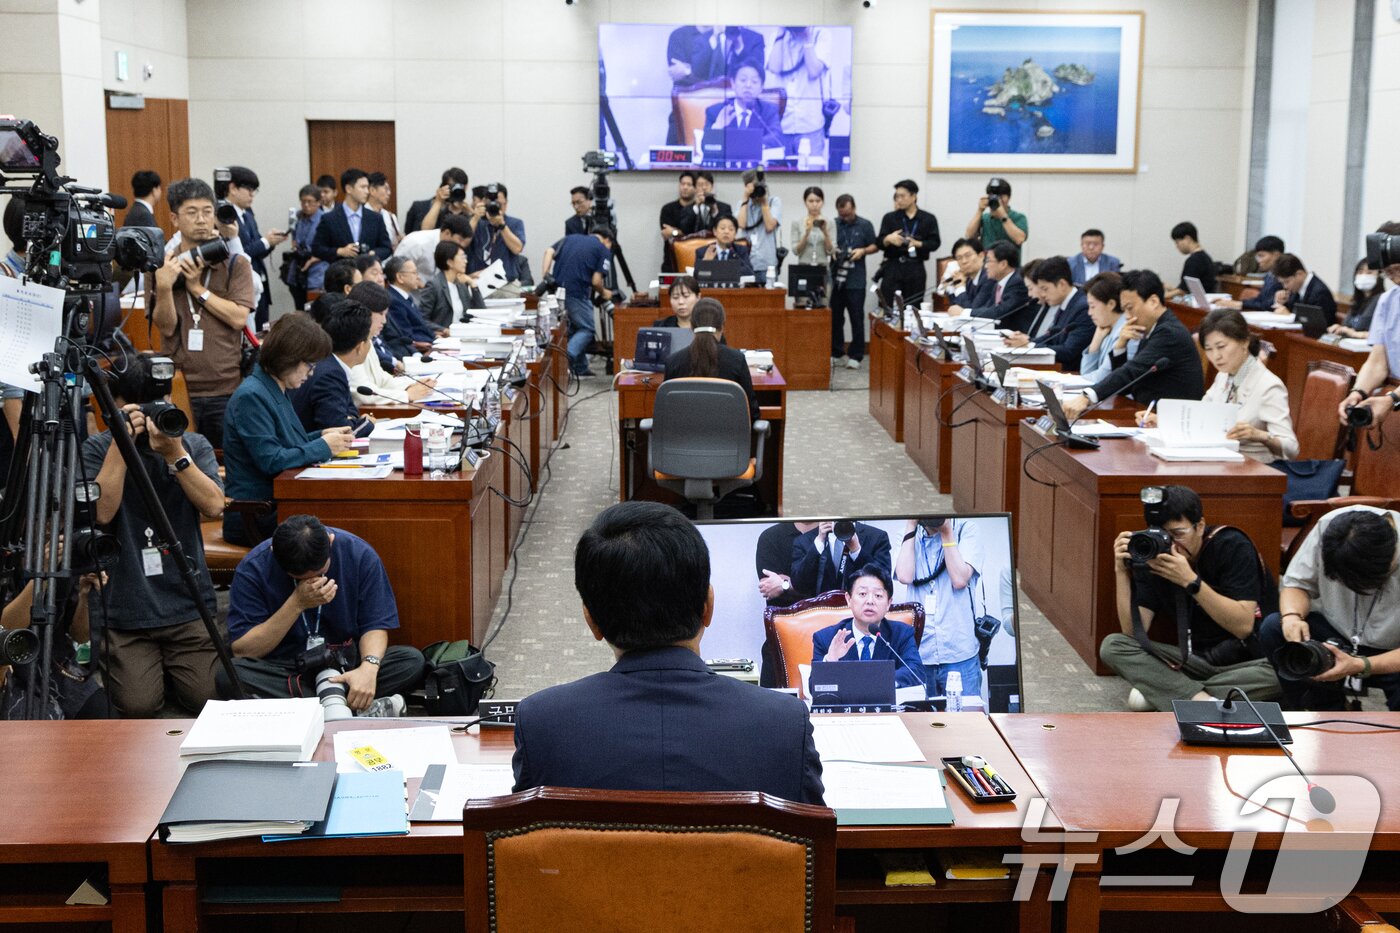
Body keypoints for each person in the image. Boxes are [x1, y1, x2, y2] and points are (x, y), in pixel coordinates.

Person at [512, 501, 822, 801]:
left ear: (591, 621)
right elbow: (812, 832)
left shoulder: (542, 724)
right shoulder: (784, 724)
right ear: (708, 607)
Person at [83, 352, 225, 717]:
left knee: (207, 698)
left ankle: (171, 673)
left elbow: (214, 506)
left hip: (186, 601)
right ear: (116, 405)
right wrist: (121, 443)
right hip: (127, 608)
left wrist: (175, 455)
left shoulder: (192, 444)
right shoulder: (97, 448)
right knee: (137, 705)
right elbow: (101, 513)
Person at [220, 514, 425, 714]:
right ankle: (346, 708)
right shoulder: (254, 567)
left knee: (411, 660)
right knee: (230, 675)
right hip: (287, 668)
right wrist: (296, 603)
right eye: (300, 577)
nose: (313, 582)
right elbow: (244, 650)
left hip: (347, 666)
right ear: (274, 552)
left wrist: (369, 668)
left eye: (320, 573)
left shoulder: (359, 553)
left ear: (330, 541)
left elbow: (375, 624)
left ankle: (311, 709)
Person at [1102, 485, 1280, 711]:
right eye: (1162, 535)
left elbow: (1243, 627)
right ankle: (1202, 702)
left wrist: (1190, 581)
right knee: (1113, 646)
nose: (1171, 544)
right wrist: (1121, 570)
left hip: (1250, 662)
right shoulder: (1153, 556)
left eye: (1178, 534)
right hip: (1193, 661)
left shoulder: (1231, 545)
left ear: (1200, 526)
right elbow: (1133, 633)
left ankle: (1172, 692)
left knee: (1283, 672)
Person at [222, 313, 352, 545]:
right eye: (309, 365)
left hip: (282, 504)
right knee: (344, 526)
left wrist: (321, 436)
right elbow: (271, 460)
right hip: (257, 514)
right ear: (289, 358)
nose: (311, 373)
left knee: (347, 519)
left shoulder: (274, 387)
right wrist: (322, 446)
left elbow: (285, 442)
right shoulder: (252, 396)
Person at [1259, 506, 1400, 710]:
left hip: (1392, 651)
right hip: (1337, 636)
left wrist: (1362, 665)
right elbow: (1297, 584)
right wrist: (1292, 617)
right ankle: (1321, 713)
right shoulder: (1331, 528)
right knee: (1274, 627)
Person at [152, 177, 256, 451]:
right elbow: (166, 327)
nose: (201, 220)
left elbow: (238, 318)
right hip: (178, 387)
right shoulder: (162, 266)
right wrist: (164, 287)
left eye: (207, 212)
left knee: (229, 460)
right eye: (192, 212)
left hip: (227, 387)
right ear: (174, 219)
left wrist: (197, 288)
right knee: (179, 460)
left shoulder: (235, 263)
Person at [1060, 269, 1206, 419]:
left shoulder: (1169, 333)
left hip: (1170, 420)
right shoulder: (1150, 328)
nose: (1127, 316)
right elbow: (1126, 387)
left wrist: (1087, 397)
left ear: (1153, 302)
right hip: (1145, 414)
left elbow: (1131, 371)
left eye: (1130, 308)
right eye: (1124, 310)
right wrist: (1120, 346)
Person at [1188, 310, 1297, 461]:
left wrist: (1259, 435)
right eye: (1209, 349)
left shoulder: (1269, 386)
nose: (1216, 356)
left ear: (1245, 342)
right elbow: (1201, 413)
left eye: (1221, 346)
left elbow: (1291, 448)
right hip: (1220, 460)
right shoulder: (1223, 376)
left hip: (1253, 467)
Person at [895, 517, 985, 698]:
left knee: (965, 715)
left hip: (959, 653)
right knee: (921, 715)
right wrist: (911, 523)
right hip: (921, 653)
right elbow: (904, 576)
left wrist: (946, 531)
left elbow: (959, 579)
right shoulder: (907, 534)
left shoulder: (966, 530)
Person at [811, 567, 925, 690]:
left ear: (888, 603)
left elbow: (916, 672)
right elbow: (813, 687)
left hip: (886, 702)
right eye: (862, 594)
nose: (870, 601)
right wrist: (829, 662)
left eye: (878, 595)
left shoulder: (901, 634)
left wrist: (873, 681)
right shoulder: (827, 638)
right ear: (849, 599)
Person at [1334, 225, 1400, 426]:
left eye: (1398, 269)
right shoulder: (1388, 300)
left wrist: (1392, 399)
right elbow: (1377, 362)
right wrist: (1358, 392)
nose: (1395, 278)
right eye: (1388, 273)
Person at [662, 298, 756, 421]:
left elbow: (666, 413)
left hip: (683, 433)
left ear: (691, 326)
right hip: (728, 433)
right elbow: (752, 413)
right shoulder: (737, 360)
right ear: (722, 327)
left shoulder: (673, 362)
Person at [292, 301, 376, 437]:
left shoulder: (330, 363)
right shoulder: (330, 374)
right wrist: (367, 423)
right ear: (360, 347)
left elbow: (351, 413)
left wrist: (353, 420)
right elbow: (341, 432)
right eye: (369, 340)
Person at [754, 520, 820, 686]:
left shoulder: (835, 535)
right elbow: (769, 588)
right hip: (779, 643)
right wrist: (814, 588)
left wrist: (786, 585)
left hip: (829, 642)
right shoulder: (771, 537)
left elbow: (836, 592)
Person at [344, 281, 434, 403]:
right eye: (381, 314)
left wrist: (413, 383)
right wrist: (407, 395)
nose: (384, 321)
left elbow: (382, 380)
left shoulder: (367, 339)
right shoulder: (349, 343)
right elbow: (364, 393)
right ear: (363, 311)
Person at [1002, 255, 1094, 369]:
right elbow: (1052, 336)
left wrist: (1029, 344)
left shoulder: (1083, 308)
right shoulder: (1065, 303)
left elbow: (1068, 351)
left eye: (1045, 289)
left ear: (1062, 284)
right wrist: (1026, 340)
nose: (1042, 294)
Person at [227, 166, 288, 329]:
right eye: (249, 189)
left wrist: (271, 243)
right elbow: (239, 253)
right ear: (233, 188)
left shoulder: (247, 215)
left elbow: (257, 250)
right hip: (242, 287)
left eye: (254, 190)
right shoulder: (226, 217)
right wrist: (265, 241)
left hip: (260, 284)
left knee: (262, 331)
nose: (252, 194)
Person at [551, 228, 614, 378]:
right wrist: (604, 292)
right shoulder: (603, 249)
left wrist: (545, 273)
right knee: (587, 329)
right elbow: (596, 281)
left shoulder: (571, 238)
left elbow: (549, 252)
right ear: (607, 240)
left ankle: (580, 368)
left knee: (574, 328)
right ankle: (564, 358)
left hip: (557, 290)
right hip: (577, 292)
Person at [764, 26, 832, 159]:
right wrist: (780, 33)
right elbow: (774, 67)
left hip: (810, 126)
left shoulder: (820, 34)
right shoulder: (776, 36)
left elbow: (814, 71)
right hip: (783, 125)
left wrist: (807, 39)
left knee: (811, 169)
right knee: (780, 170)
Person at [830, 194, 878, 368]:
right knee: (835, 318)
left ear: (854, 208)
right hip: (836, 279)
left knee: (856, 317)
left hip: (855, 279)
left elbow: (875, 245)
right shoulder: (833, 224)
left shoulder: (865, 225)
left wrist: (862, 251)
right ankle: (836, 352)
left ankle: (856, 355)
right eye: (842, 215)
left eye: (848, 214)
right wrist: (833, 251)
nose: (845, 218)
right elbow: (827, 244)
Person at [876, 179, 941, 308]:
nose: (899, 200)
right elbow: (878, 243)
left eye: (902, 196)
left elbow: (935, 243)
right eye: (897, 196)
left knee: (913, 305)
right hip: (893, 266)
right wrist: (888, 239)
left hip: (915, 267)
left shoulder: (928, 218)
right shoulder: (890, 218)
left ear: (913, 196)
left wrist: (917, 243)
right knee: (888, 305)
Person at [791, 519, 892, 599]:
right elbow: (799, 585)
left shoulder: (876, 537)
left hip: (861, 611)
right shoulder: (804, 541)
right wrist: (818, 544)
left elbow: (885, 583)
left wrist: (857, 550)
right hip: (819, 612)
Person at [312, 168, 394, 264]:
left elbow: (386, 247)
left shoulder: (375, 218)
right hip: (341, 270)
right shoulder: (329, 218)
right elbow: (317, 248)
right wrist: (340, 251)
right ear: (349, 189)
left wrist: (372, 254)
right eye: (362, 187)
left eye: (367, 187)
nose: (367, 191)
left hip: (368, 269)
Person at [952, 241, 1033, 333]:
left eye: (988, 261)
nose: (986, 266)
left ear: (1003, 264)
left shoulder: (1018, 282)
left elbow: (1000, 311)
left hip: (1019, 336)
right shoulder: (998, 283)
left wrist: (964, 312)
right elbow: (988, 308)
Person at [704, 63, 784, 153]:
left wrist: (744, 145)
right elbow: (705, 146)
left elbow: (776, 137)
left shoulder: (768, 110)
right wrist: (717, 128)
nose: (748, 85)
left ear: (761, 87)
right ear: (733, 83)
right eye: (743, 80)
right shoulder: (717, 111)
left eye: (754, 82)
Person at [1079, 272, 1134, 384]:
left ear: (1111, 304)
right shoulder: (1107, 328)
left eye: (1092, 306)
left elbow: (1102, 378)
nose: (1089, 313)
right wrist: (1095, 343)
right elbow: (1086, 372)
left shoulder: (1126, 330)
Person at [467, 183, 526, 282]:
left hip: (506, 282)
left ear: (506, 203)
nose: (495, 207)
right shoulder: (478, 223)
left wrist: (502, 226)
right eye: (491, 203)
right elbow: (463, 242)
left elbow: (517, 248)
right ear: (484, 202)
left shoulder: (515, 223)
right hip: (479, 280)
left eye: (499, 204)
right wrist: (475, 217)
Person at [383, 256, 443, 353]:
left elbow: (421, 325)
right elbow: (407, 335)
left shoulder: (405, 297)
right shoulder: (394, 301)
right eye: (414, 273)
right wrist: (433, 341)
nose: (418, 277)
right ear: (400, 277)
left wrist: (436, 336)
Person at [394, 212, 474, 279]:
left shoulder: (452, 250)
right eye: (460, 240)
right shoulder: (417, 243)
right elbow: (395, 269)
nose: (461, 246)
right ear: (447, 233)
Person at [284, 184, 327, 311]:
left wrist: (315, 257)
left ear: (318, 202)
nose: (306, 205)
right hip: (297, 272)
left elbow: (331, 247)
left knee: (314, 311)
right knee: (299, 309)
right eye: (303, 202)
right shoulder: (298, 217)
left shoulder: (325, 219)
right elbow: (295, 240)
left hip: (317, 273)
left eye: (310, 201)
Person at [418, 240, 479, 329]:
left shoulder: (461, 285)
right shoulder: (434, 286)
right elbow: (422, 319)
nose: (466, 261)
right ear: (450, 262)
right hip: (444, 335)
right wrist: (443, 330)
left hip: (463, 333)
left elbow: (479, 313)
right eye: (462, 257)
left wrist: (473, 285)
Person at [736, 168, 782, 281]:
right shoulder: (742, 204)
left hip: (767, 265)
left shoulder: (774, 202)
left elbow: (770, 226)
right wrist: (745, 198)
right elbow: (741, 224)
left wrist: (764, 203)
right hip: (746, 264)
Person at [1218, 236, 1285, 311]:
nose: (1258, 261)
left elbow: (1269, 305)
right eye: (1258, 256)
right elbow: (1260, 299)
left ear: (1276, 255)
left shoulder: (1284, 278)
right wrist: (1235, 303)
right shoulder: (1269, 275)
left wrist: (1239, 304)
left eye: (1262, 256)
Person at [1270, 252, 1338, 321]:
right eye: (1282, 283)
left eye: (1287, 282)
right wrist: (1281, 303)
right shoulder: (1296, 290)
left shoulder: (1320, 293)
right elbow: (1289, 309)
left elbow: (1318, 323)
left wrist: (1290, 316)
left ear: (1299, 274)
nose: (1285, 286)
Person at [964, 177, 1027, 249]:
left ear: (1009, 197)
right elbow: (968, 236)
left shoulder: (1019, 217)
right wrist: (979, 210)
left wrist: (1003, 216)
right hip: (987, 256)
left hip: (1009, 256)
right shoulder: (985, 218)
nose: (997, 199)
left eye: (1001, 196)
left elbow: (1019, 239)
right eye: (992, 196)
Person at [1330, 258, 1386, 338]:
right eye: (1360, 272)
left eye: (1369, 272)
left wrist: (1354, 334)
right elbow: (1347, 325)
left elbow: (1383, 335)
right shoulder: (1358, 300)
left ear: (1379, 276)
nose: (1364, 276)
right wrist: (1339, 328)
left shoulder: (1382, 299)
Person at [405, 167, 469, 234]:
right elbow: (424, 231)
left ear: (465, 187)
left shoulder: (464, 211)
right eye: (452, 186)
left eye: (460, 187)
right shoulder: (418, 207)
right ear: (443, 186)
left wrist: (463, 213)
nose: (455, 190)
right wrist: (439, 201)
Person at [789, 186, 833, 281]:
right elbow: (796, 251)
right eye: (811, 201)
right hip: (803, 267)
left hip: (823, 267)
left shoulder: (829, 222)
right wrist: (806, 234)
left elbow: (831, 251)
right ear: (805, 202)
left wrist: (825, 232)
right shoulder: (797, 222)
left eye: (818, 201)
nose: (815, 204)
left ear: (823, 202)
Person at [1165, 221, 1218, 298]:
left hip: (1198, 303)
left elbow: (1184, 291)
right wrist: (1171, 288)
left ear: (1187, 238)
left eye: (1177, 242)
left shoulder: (1194, 261)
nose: (1177, 246)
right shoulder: (1206, 257)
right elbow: (1189, 288)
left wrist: (1161, 296)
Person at [658, 171, 698, 271]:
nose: (685, 187)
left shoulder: (699, 209)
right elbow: (666, 233)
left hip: (694, 262)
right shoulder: (668, 209)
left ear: (695, 188)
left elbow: (699, 235)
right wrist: (686, 234)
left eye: (689, 184)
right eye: (682, 184)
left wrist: (675, 232)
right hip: (670, 262)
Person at [939, 237, 987, 306]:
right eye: (959, 258)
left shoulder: (988, 278)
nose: (964, 261)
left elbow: (972, 309)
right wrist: (950, 287)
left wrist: (960, 287)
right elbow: (957, 306)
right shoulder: (969, 279)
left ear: (981, 256)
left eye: (968, 255)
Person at [309, 259, 359, 323]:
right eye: (360, 284)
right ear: (347, 289)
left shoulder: (316, 312)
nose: (364, 287)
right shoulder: (350, 320)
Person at [366, 172, 402, 248]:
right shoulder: (362, 215)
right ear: (372, 190)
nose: (389, 193)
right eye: (386, 189)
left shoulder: (390, 216)